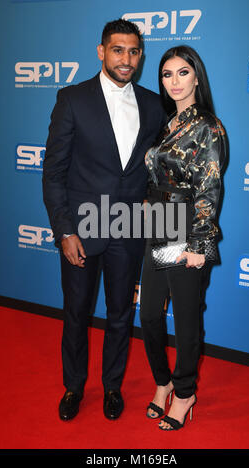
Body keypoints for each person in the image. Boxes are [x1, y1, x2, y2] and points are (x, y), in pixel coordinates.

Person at [42, 19, 166, 421]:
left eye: (133, 51)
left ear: (140, 55)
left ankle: (112, 385)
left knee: (119, 313)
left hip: (128, 226)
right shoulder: (72, 99)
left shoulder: (153, 104)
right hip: (82, 226)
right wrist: (64, 229)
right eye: (117, 50)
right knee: (76, 310)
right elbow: (54, 172)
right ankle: (74, 386)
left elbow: (158, 169)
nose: (125, 59)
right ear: (101, 52)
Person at [140, 45, 226, 430]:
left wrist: (198, 246)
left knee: (187, 319)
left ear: (196, 77)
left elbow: (209, 191)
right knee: (149, 313)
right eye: (166, 74)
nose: (174, 81)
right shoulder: (167, 123)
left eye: (182, 73)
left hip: (186, 224)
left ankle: (186, 392)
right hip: (159, 221)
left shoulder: (207, 126)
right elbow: (157, 174)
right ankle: (163, 383)